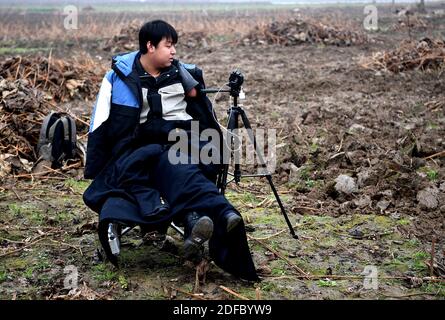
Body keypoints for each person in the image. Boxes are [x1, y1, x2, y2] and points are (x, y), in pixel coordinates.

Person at [83, 20, 258, 281]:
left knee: (175, 160)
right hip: (139, 149)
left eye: (174, 45)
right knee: (168, 164)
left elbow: (204, 118)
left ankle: (203, 220)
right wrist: (99, 164)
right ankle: (219, 213)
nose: (174, 51)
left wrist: (215, 149)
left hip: (182, 142)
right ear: (150, 46)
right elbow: (100, 122)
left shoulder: (185, 75)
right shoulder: (119, 77)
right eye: (168, 45)